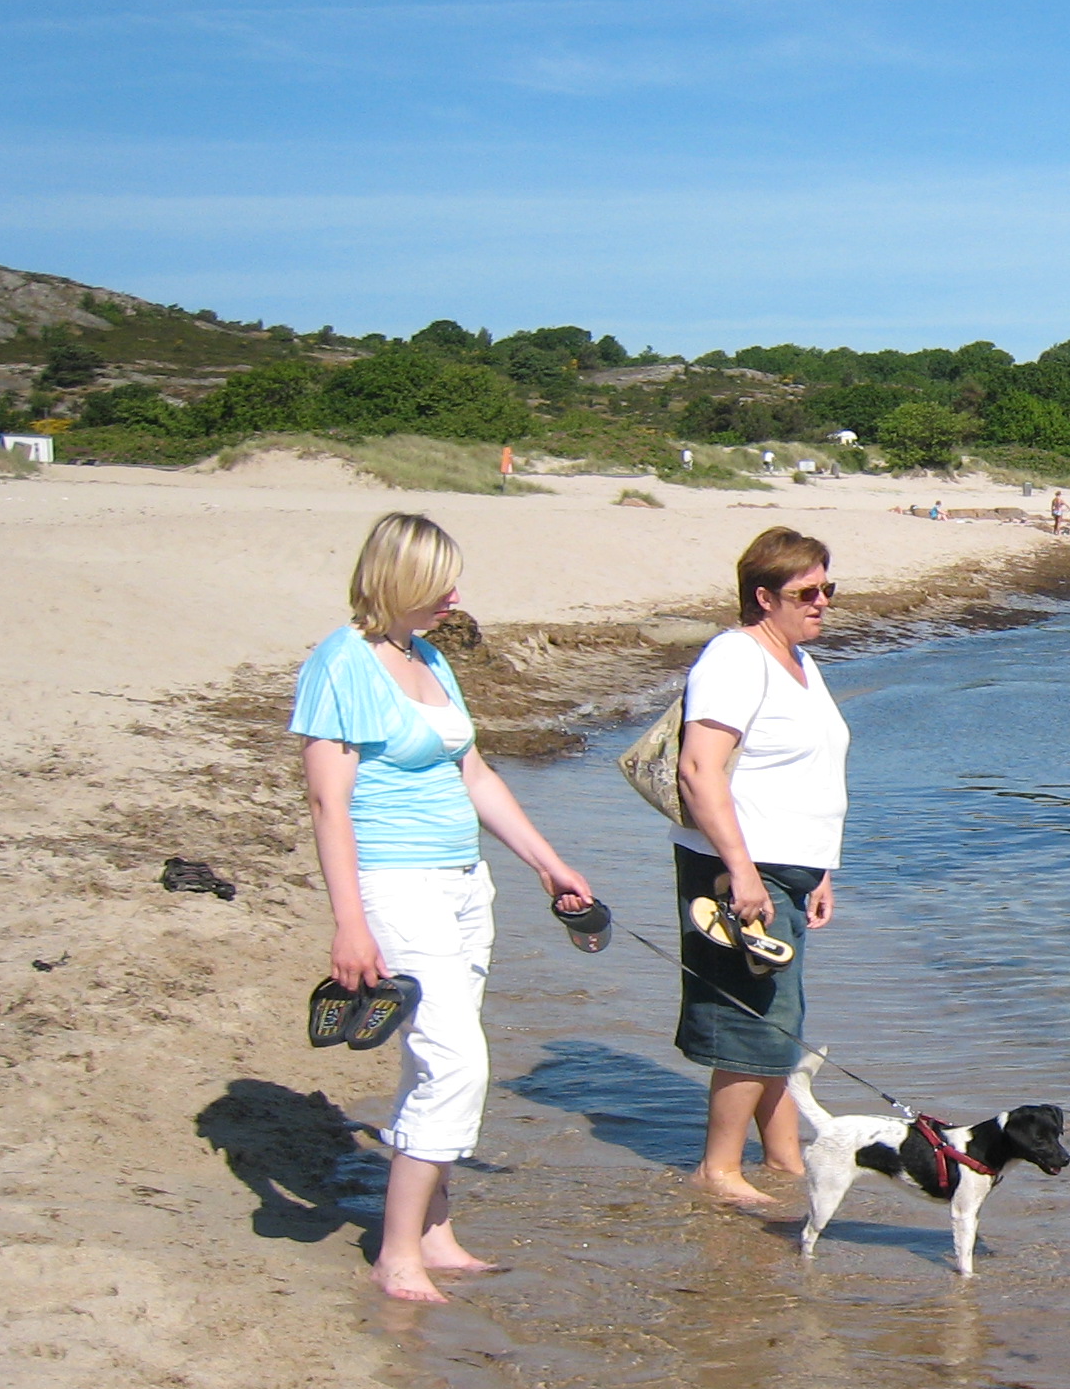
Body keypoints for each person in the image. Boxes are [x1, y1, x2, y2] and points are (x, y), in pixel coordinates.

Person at [294, 513, 597, 1303]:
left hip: (464, 882)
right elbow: (330, 806)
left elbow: (477, 774)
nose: (455, 596)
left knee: (435, 1057)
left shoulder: (425, 655)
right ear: (397, 578)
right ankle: (396, 1255)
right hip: (395, 886)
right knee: (458, 1062)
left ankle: (436, 1232)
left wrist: (547, 862)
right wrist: (349, 923)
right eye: (440, 582)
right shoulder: (342, 664)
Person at [672, 527, 851, 1207]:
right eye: (807, 592)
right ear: (763, 596)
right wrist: (742, 871)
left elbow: (807, 772)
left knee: (780, 1017)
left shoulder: (801, 663)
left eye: (829, 588)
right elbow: (699, 768)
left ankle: (781, 1156)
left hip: (790, 870)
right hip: (737, 870)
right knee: (748, 1015)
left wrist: (822, 871)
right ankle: (718, 1171)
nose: (823, 602)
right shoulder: (735, 658)